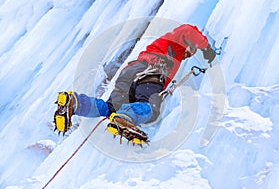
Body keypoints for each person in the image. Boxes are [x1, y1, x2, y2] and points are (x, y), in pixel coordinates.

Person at [54, 24, 216, 144]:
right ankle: (126, 118)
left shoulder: (165, 48)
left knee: (111, 108)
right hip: (152, 72)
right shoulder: (175, 40)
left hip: (130, 72)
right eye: (191, 50)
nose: (189, 54)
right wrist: (207, 48)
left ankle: (75, 103)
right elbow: (188, 30)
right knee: (150, 108)